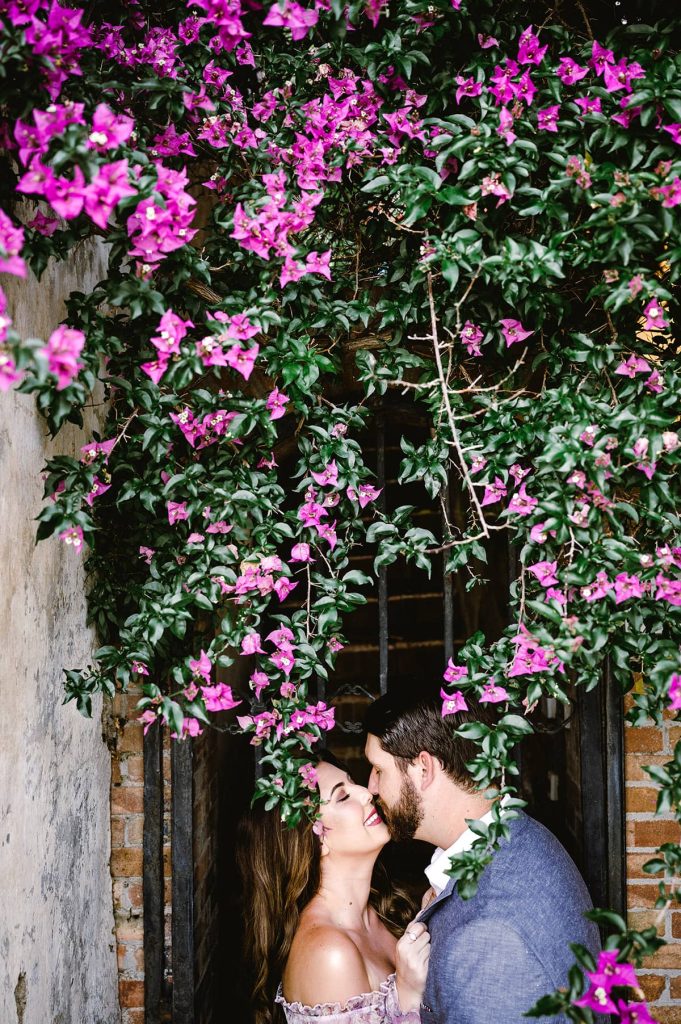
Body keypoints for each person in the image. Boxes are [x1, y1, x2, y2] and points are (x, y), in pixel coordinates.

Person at [364, 691, 601, 1024]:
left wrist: (410, 1003)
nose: (371, 787)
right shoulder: (522, 832)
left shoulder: (488, 939)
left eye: (378, 770)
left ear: (423, 768)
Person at [237, 758, 431, 1024]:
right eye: (342, 796)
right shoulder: (329, 954)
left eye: (352, 782)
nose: (366, 793)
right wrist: (408, 997)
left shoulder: (380, 911)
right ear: (317, 841)